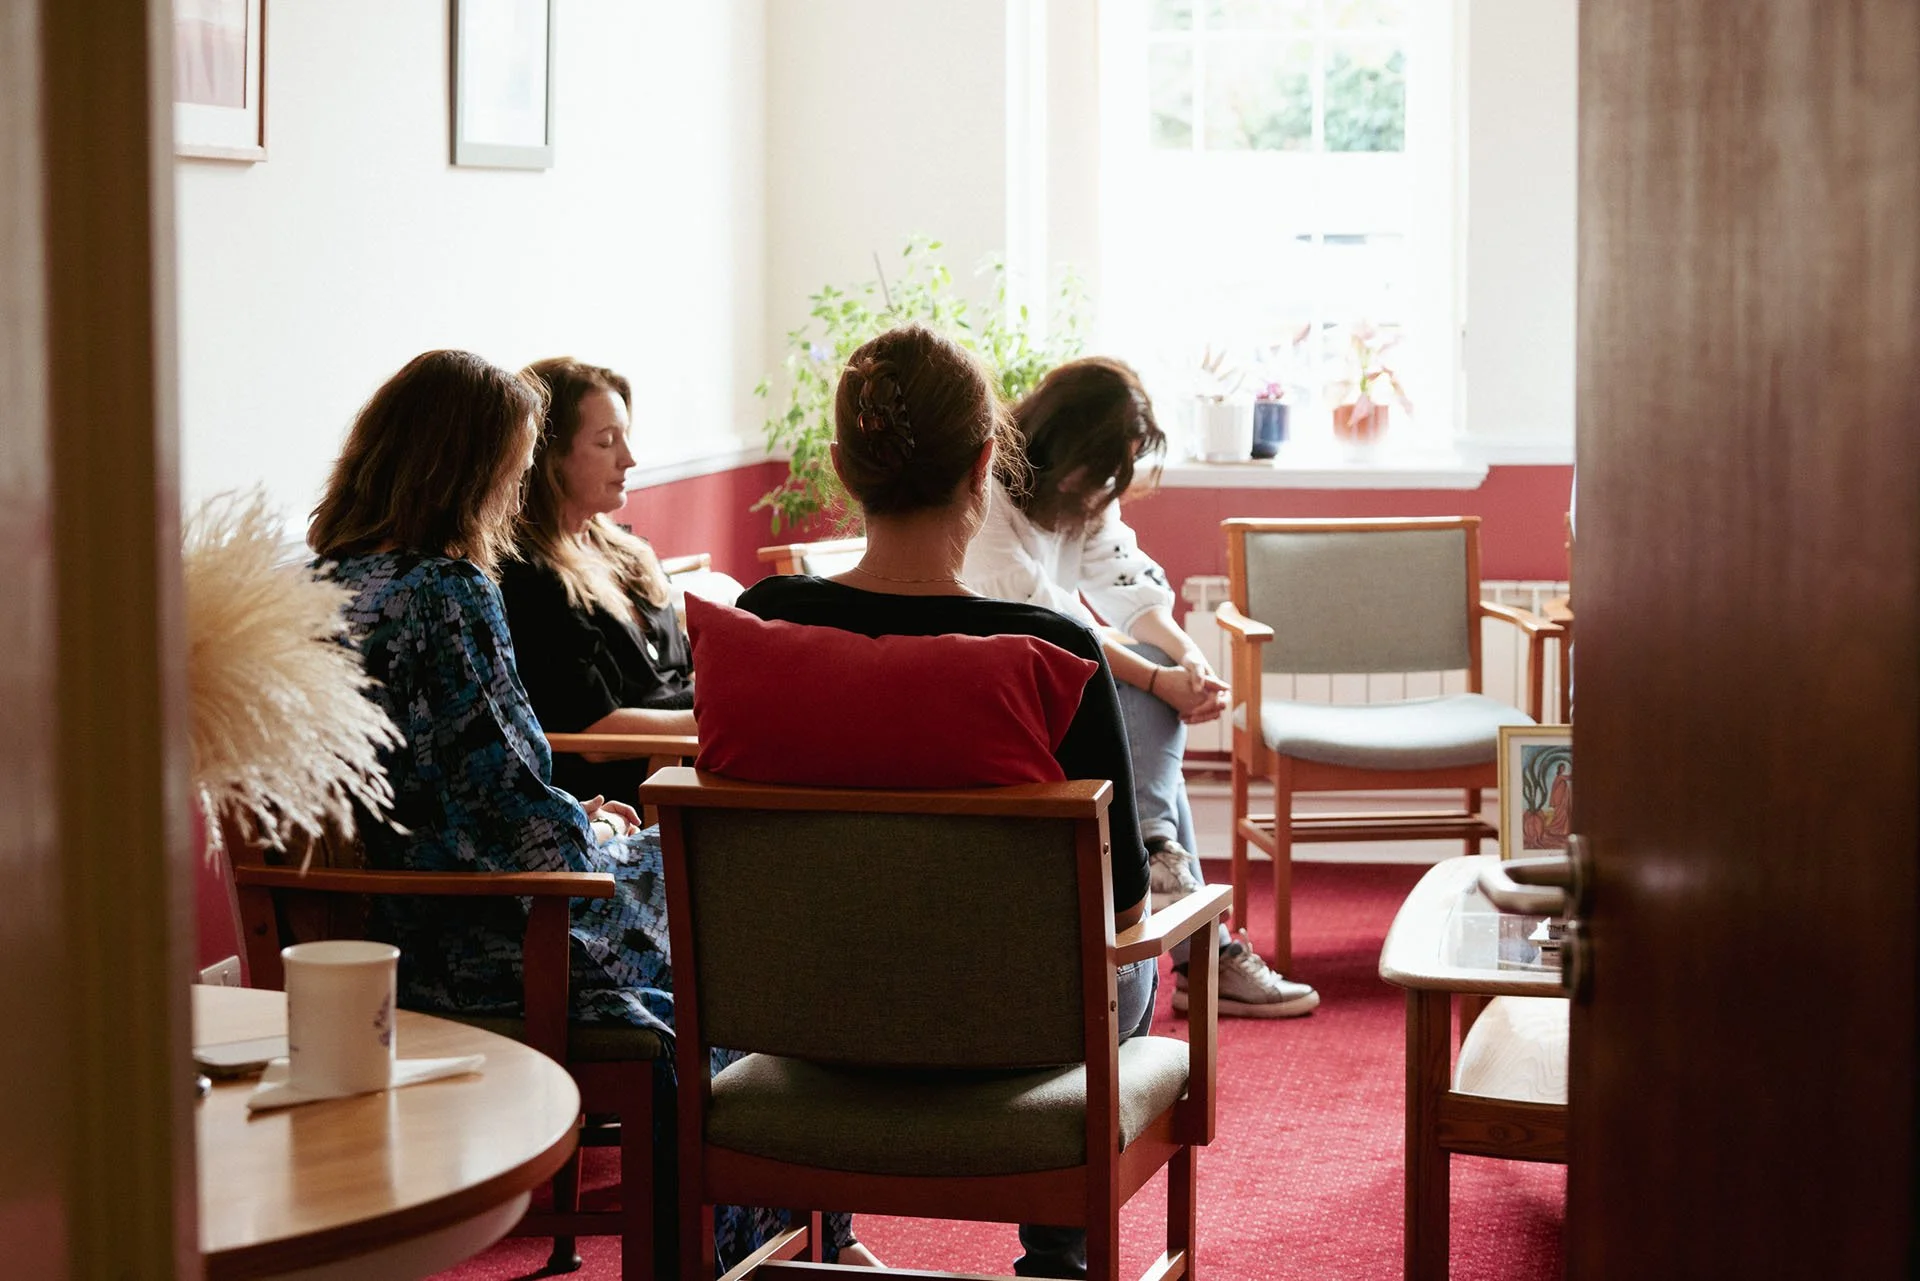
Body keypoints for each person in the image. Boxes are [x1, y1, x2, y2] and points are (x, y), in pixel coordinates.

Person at [307, 349, 866, 1273]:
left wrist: (576, 815)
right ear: (470, 470)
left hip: (397, 918)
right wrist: (596, 828)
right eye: (511, 467)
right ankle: (787, 1245)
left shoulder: (334, 582)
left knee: (712, 911)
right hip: (493, 932)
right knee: (740, 921)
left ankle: (796, 1239)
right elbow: (507, 807)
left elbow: (467, 785)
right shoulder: (445, 592)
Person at [736, 325, 1155, 1280]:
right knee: (1142, 968)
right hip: (1012, 1039)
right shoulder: (1054, 652)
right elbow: (1126, 910)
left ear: (842, 466)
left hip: (802, 1021)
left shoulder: (759, 625)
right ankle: (1057, 1250)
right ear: (984, 463)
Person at [963, 356, 1319, 1019]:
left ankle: (1162, 854)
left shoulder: (1087, 489)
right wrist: (1162, 678)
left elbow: (1127, 590)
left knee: (1153, 702)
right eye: (1098, 471)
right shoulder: (988, 497)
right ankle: (1196, 936)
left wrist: (1187, 659)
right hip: (1009, 688)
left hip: (1071, 672)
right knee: (1147, 707)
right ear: (1061, 443)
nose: (1103, 489)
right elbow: (1054, 625)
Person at [499, 356, 696, 806]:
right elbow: (593, 735)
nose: (629, 458)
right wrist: (718, 714)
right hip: (625, 795)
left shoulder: (628, 552)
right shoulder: (527, 576)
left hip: (688, 759)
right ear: (549, 458)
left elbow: (681, 670)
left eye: (626, 437)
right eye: (607, 442)